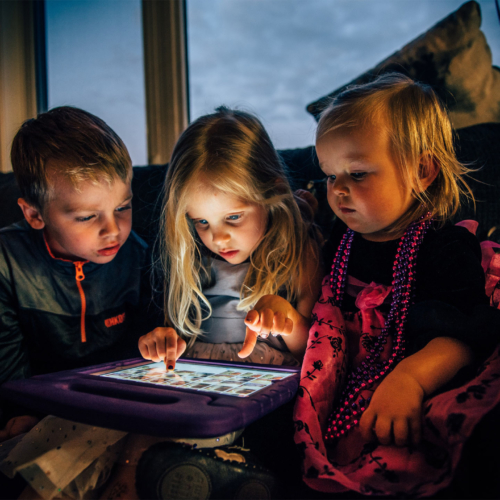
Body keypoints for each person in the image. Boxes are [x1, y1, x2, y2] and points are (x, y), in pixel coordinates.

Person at [260, 73, 500, 497]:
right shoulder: (339, 241)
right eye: (330, 176)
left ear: (423, 171)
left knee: (464, 429)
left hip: (422, 381)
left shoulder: (445, 244)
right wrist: (283, 314)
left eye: (357, 173)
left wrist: (410, 380)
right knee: (270, 416)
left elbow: (464, 336)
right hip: (343, 390)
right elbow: (321, 326)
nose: (339, 191)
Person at [0, 106, 158, 499]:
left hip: (115, 404)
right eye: (88, 217)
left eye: (123, 207)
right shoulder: (6, 261)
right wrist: (19, 411)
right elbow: (7, 358)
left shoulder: (138, 256)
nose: (114, 229)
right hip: (40, 407)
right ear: (35, 215)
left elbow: (142, 356)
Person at [138, 106, 323, 369]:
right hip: (198, 381)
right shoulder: (190, 255)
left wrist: (287, 317)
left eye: (234, 217)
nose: (218, 238)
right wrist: (163, 341)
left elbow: (315, 348)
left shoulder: (299, 251)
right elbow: (177, 332)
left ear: (272, 195)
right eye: (202, 222)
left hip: (268, 386)